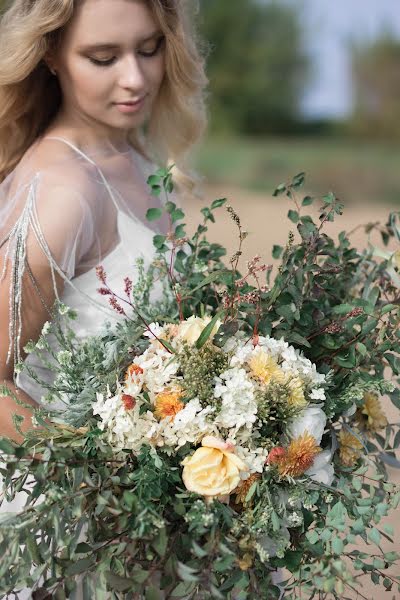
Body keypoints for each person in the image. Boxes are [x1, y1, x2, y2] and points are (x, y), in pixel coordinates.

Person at [0, 0, 206, 596]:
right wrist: (103, 481)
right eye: (102, 57)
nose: (135, 78)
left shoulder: (138, 159)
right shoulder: (64, 189)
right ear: (50, 56)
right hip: (64, 536)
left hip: (142, 528)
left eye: (149, 48)